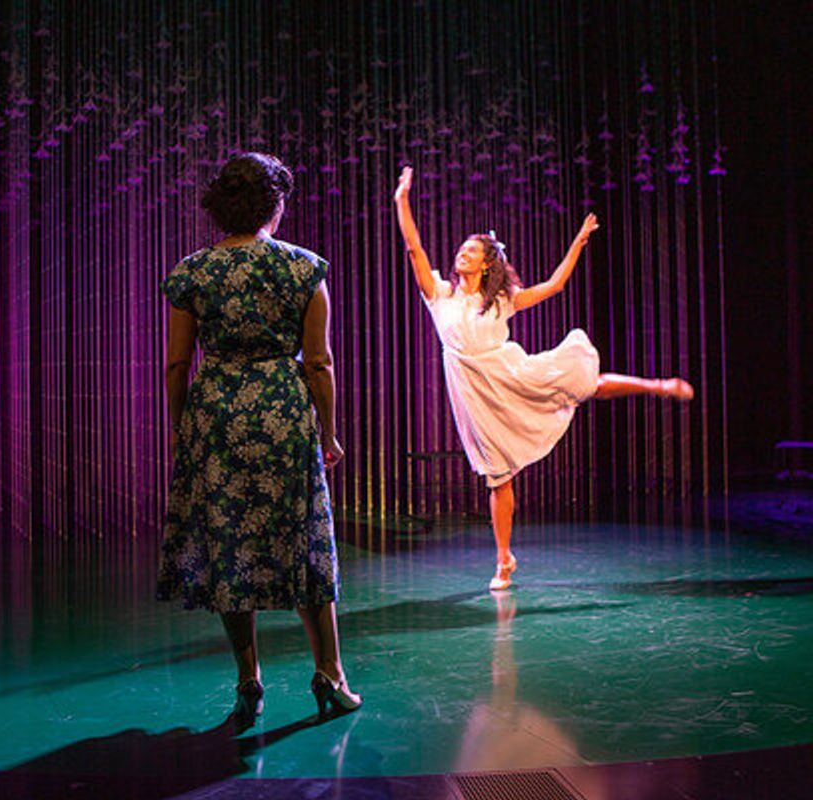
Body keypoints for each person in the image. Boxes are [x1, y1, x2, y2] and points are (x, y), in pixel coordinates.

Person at [393, 166, 693, 591]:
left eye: (472, 250)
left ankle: (658, 386)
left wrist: (577, 243)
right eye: (461, 248)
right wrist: (402, 200)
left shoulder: (502, 301)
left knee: (581, 385)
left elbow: (553, 285)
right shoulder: (439, 295)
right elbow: (414, 248)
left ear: (486, 261)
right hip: (476, 394)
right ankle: (503, 560)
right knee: (499, 476)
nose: (462, 253)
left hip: (513, 374)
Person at [157, 153, 362, 729]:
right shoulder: (303, 269)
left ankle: (249, 681)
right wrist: (329, 431)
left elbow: (177, 363)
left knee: (229, 548)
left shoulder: (193, 272)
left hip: (216, 415)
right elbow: (319, 363)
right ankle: (330, 675)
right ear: (275, 205)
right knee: (303, 543)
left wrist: (181, 428)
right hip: (283, 415)